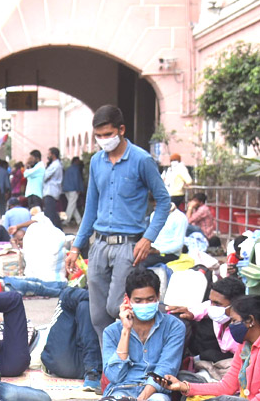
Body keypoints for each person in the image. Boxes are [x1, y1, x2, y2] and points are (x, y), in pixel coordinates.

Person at [66, 105, 173, 341]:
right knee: (98, 315)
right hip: (99, 245)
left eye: (108, 134)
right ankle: (111, 367)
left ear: (121, 130)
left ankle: (157, 333)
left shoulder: (142, 160)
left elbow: (164, 202)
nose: (104, 140)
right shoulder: (96, 162)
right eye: (99, 136)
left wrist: (148, 238)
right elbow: (90, 208)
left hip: (129, 246)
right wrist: (76, 247)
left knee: (116, 307)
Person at [102, 267, 186, 401]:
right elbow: (114, 376)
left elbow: (166, 367)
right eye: (138, 301)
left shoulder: (174, 327)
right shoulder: (111, 332)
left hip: (155, 392)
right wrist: (126, 331)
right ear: (127, 300)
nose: (145, 304)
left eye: (150, 299)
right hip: (121, 390)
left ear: (158, 296)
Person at [170, 275, 245, 380]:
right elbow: (204, 308)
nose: (212, 307)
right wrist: (191, 313)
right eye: (212, 302)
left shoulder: (243, 330)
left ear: (236, 304)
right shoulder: (216, 311)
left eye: (217, 304)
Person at [40, 287, 103, 392]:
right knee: (87, 306)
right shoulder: (71, 294)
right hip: (66, 362)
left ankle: (92, 372)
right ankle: (92, 373)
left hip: (60, 362)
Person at [42, 147, 64, 229]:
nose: (48, 155)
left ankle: (53, 229)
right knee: (53, 213)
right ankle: (59, 229)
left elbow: (45, 176)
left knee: (50, 214)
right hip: (51, 191)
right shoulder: (55, 164)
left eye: (49, 154)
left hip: (51, 191)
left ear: (53, 155)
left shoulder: (55, 165)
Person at [62, 155, 84, 226]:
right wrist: (79, 189)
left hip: (66, 189)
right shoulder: (76, 169)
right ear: (76, 161)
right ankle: (66, 220)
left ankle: (79, 221)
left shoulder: (68, 169)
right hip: (73, 189)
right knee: (71, 205)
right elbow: (77, 180)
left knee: (72, 205)